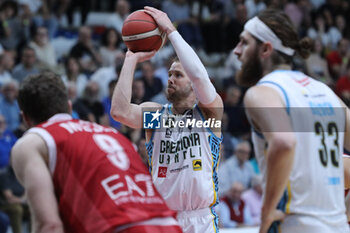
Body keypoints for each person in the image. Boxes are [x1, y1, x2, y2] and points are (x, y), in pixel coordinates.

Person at [11, 72, 182, 233]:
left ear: (25, 118)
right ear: (69, 108)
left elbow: (49, 225)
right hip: (170, 224)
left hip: (120, 226)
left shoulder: (33, 141)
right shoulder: (113, 134)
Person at [233, 9, 350, 233]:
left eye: (244, 43)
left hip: (295, 223)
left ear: (266, 49)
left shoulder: (262, 92)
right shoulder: (325, 91)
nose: (236, 51)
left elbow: (284, 142)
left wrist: (266, 211)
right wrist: (344, 214)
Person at [111, 6, 223, 233]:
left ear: (192, 83)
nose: (171, 78)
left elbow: (200, 76)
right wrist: (131, 58)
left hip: (201, 220)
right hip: (164, 219)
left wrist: (171, 31)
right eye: (170, 74)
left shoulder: (208, 114)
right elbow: (120, 112)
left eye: (179, 75)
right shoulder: (157, 115)